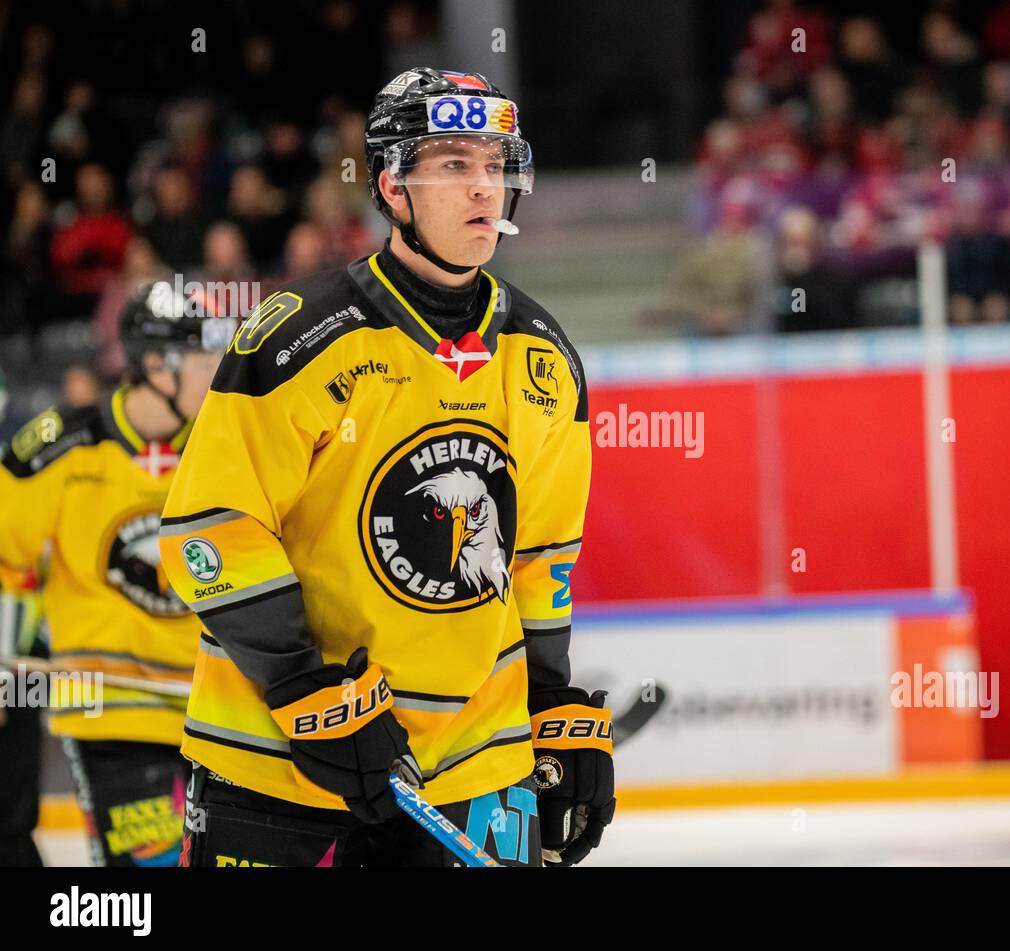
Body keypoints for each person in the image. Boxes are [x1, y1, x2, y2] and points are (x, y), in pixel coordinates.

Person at [161, 68, 614, 867]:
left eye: (494, 164)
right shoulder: (298, 337)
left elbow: (542, 555)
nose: (484, 186)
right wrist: (303, 690)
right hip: (277, 766)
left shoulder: (543, 357)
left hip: (474, 766)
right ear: (393, 186)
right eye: (452, 165)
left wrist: (551, 710)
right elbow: (210, 529)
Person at [0, 281, 229, 865]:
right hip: (110, 714)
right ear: (156, 364)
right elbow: (6, 559)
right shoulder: (61, 447)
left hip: (214, 715)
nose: (219, 372)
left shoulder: (222, 447)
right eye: (205, 358)